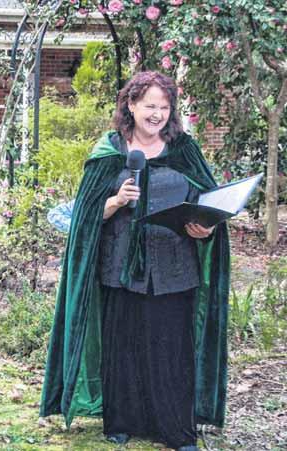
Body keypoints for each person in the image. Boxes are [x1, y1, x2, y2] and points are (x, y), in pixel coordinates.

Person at [40, 71, 230, 451]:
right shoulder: (109, 152)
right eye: (149, 106)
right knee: (123, 347)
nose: (157, 114)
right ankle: (122, 421)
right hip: (120, 267)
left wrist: (205, 228)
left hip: (175, 269)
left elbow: (210, 203)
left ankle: (175, 429)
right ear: (131, 105)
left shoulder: (184, 149)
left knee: (171, 350)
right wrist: (114, 202)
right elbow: (85, 216)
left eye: (164, 107)